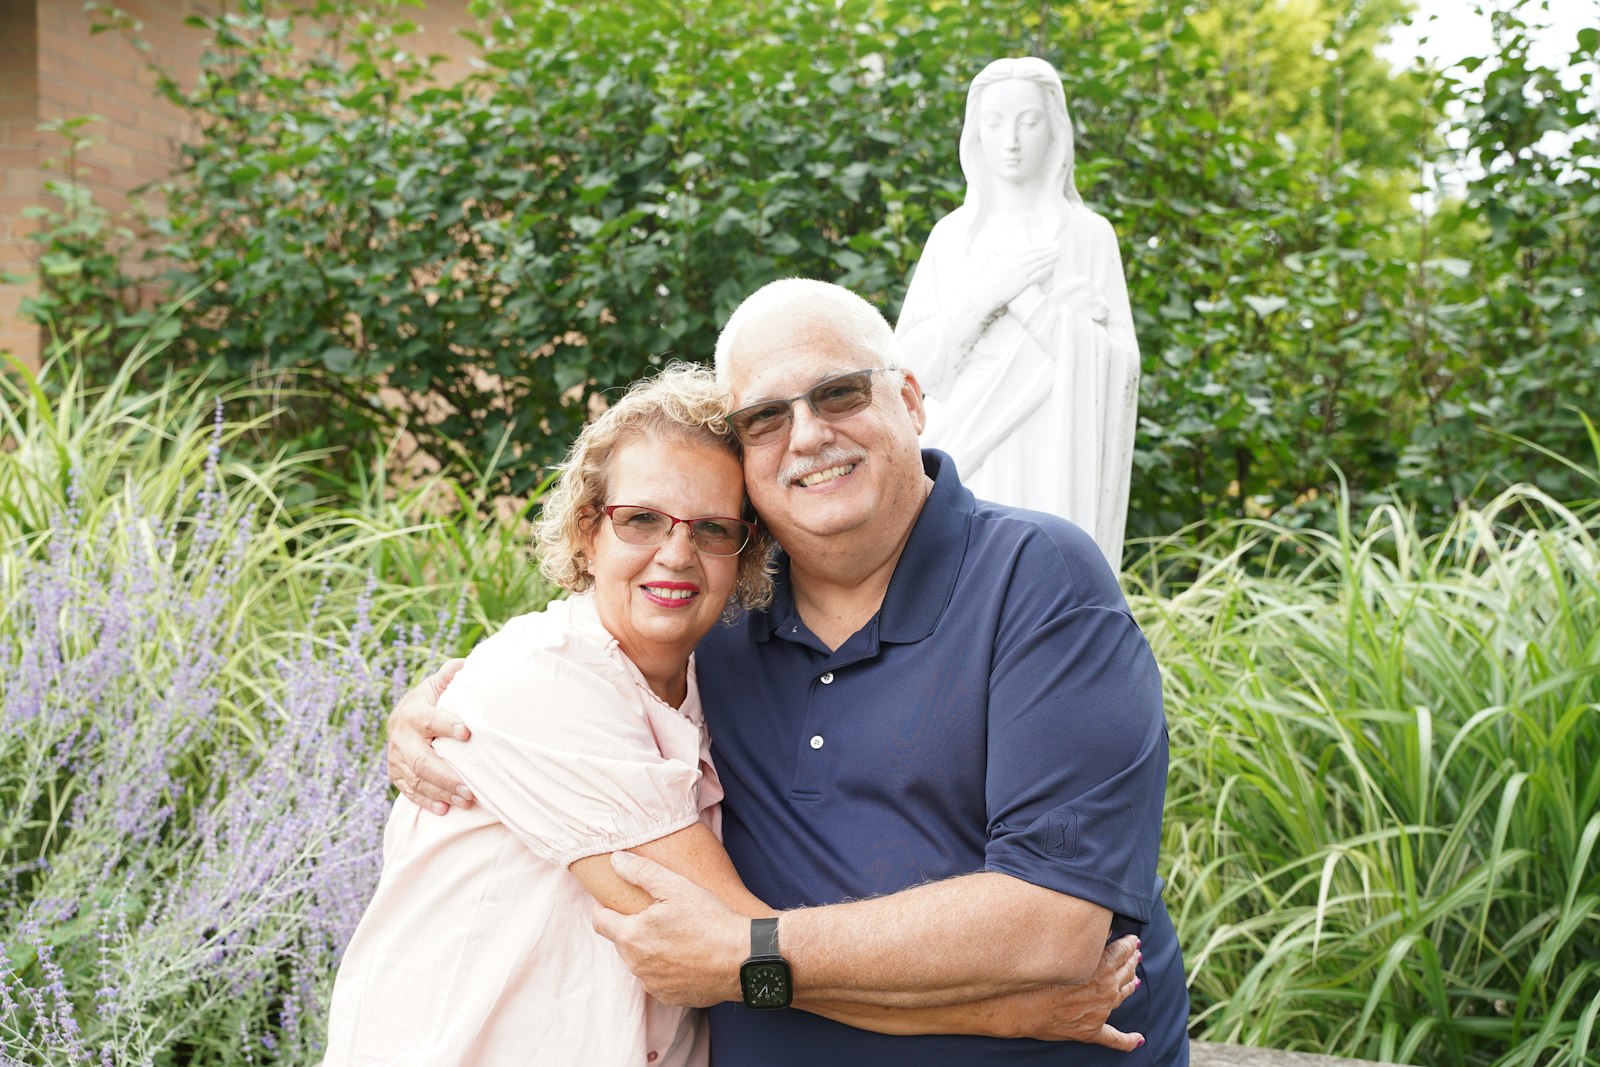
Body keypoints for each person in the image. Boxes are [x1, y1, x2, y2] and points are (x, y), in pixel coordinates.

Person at [390, 280, 1188, 1064]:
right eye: (766, 416)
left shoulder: (1036, 578)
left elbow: (1051, 926)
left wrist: (749, 954)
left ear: (910, 400)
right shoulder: (719, 612)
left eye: (838, 393)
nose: (806, 436)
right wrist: (439, 707)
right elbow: (575, 669)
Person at [324, 365, 775, 1064]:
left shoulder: (711, 687)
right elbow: (720, 936)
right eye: (642, 519)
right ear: (589, 529)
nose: (677, 552)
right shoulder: (544, 674)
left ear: (743, 552)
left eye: (712, 528)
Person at [895, 57, 1141, 569]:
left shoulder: (1087, 235)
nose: (1010, 140)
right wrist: (988, 295)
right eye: (994, 122)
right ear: (975, 133)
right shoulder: (953, 237)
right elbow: (907, 367)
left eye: (1028, 122)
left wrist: (1033, 307)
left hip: (1055, 448)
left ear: (1054, 130)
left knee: (1043, 574)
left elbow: (1120, 365)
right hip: (965, 444)